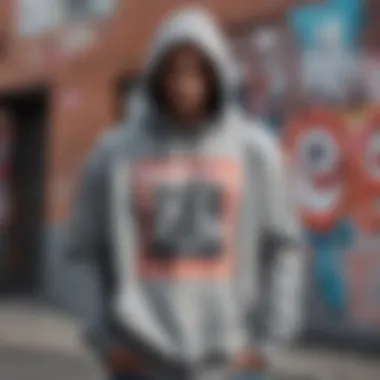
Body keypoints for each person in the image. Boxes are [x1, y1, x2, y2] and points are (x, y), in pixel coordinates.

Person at [68, 7, 304, 380]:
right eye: (173, 70)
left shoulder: (256, 152)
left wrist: (267, 342)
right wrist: (103, 340)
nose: (184, 83)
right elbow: (83, 249)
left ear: (217, 75)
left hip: (230, 360)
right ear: (156, 75)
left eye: (197, 70)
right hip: (139, 357)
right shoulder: (113, 153)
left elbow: (283, 247)